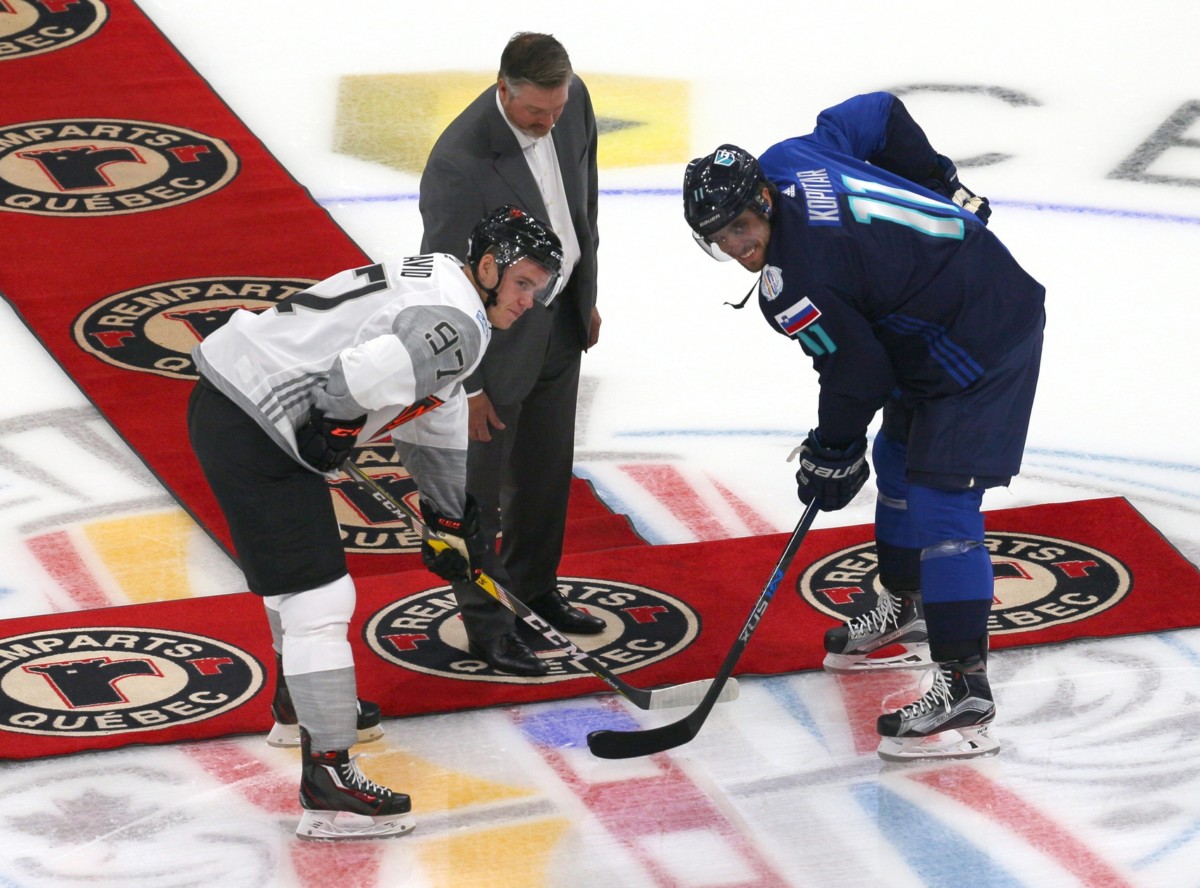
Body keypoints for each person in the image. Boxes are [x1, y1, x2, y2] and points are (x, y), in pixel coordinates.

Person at [682, 92, 1045, 761]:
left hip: (980, 331)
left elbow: (858, 375)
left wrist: (830, 449)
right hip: (947, 302)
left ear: (762, 198)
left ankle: (964, 687)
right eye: (720, 238)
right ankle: (906, 602)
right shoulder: (796, 157)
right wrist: (939, 181)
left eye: (740, 226)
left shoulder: (795, 283)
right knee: (899, 459)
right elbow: (878, 111)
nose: (738, 247)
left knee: (941, 497)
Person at [187, 206, 563, 839]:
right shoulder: (461, 323)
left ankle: (295, 706)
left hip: (232, 402)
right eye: (524, 282)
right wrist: (335, 421)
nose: (531, 299)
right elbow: (359, 376)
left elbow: (432, 413)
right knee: (320, 599)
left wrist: (445, 519)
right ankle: (329, 781)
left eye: (541, 288)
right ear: (491, 267)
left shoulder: (446, 279)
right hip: (251, 421)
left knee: (297, 584)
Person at [417, 32, 602, 677]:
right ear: (504, 91)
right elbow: (434, 274)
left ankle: (535, 590)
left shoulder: (570, 102)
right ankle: (489, 626)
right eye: (535, 115)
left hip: (560, 322)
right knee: (478, 494)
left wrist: (586, 295)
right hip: (491, 349)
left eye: (556, 109)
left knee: (548, 471)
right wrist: (463, 384)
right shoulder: (458, 162)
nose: (550, 123)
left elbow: (584, 205)